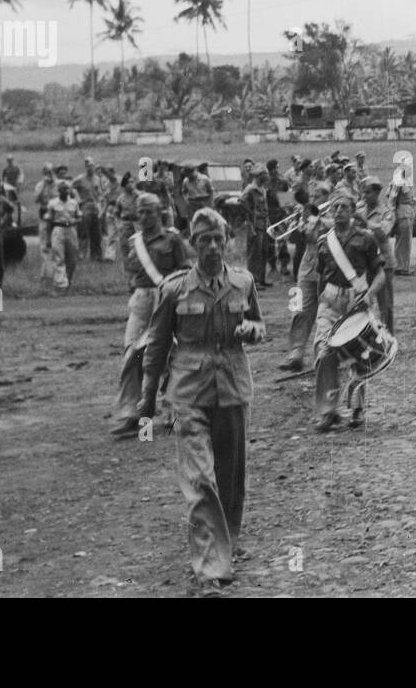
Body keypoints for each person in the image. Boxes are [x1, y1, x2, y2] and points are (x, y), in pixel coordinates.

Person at [143, 207, 264, 596]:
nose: (211, 246)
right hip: (188, 393)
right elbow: (156, 346)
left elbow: (259, 323)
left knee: (230, 479)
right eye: (203, 240)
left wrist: (253, 330)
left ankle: (227, 543)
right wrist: (148, 399)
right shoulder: (174, 289)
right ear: (192, 244)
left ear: (227, 241)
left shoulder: (243, 282)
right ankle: (211, 568)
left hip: (233, 387)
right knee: (199, 479)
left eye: (217, 239)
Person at [112, 192, 193, 437]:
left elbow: (186, 270)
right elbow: (130, 273)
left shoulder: (173, 238)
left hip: (166, 299)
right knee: (132, 354)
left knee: (172, 353)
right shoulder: (133, 241)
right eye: (141, 212)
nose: (144, 216)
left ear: (159, 213)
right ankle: (130, 412)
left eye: (149, 211)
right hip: (141, 301)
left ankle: (172, 410)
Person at [312, 192, 385, 432]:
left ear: (353, 211)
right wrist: (320, 301)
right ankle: (328, 411)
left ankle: (356, 408)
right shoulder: (324, 241)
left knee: (359, 355)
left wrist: (370, 295)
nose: (339, 211)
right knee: (324, 352)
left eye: (344, 207)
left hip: (357, 301)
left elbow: (380, 274)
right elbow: (320, 276)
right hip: (330, 302)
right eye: (335, 207)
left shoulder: (366, 238)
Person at [278, 182, 331, 375]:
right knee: (299, 309)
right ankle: (296, 354)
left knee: (328, 313)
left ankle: (326, 354)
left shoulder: (334, 214)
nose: (313, 199)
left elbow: (331, 230)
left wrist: (316, 220)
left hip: (329, 270)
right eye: (313, 195)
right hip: (307, 269)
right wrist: (297, 224)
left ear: (327, 197)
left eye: (317, 196)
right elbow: (295, 240)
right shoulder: (307, 215)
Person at [356, 176, 396, 332]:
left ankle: (389, 335)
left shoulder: (387, 211)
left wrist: (365, 223)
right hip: (364, 263)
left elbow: (384, 232)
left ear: (377, 193)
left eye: (368, 192)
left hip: (383, 263)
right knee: (364, 302)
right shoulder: (360, 209)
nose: (364, 196)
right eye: (363, 192)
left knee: (385, 305)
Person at [46, 180, 82, 289]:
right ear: (59, 190)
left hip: (71, 229)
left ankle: (68, 281)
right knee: (59, 257)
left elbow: (79, 217)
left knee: (72, 258)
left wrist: (74, 221)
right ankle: (61, 284)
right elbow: (49, 221)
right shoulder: (53, 203)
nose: (65, 191)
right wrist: (48, 238)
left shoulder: (74, 203)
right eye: (63, 189)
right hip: (58, 229)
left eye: (67, 189)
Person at [73, 157, 105, 261]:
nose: (90, 168)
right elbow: (71, 188)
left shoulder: (97, 179)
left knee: (96, 232)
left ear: (94, 166)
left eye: (91, 165)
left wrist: (101, 201)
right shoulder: (80, 179)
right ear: (85, 167)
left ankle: (96, 255)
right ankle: (82, 254)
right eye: (88, 166)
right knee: (83, 231)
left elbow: (100, 192)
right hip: (85, 205)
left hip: (95, 206)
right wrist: (77, 198)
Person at [33, 164, 58, 283]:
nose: (49, 175)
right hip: (44, 215)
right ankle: (46, 274)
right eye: (47, 172)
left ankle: (55, 272)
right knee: (44, 245)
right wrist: (44, 185)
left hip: (56, 217)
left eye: (51, 172)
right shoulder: (40, 185)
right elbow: (36, 199)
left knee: (56, 244)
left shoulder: (59, 184)